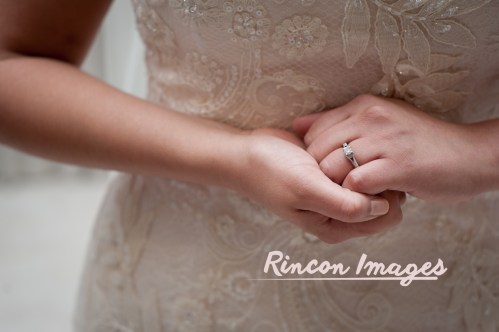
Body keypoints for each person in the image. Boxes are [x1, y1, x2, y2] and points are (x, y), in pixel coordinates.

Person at [0, 0, 498, 331]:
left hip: (463, 282)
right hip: (186, 279)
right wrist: (233, 158)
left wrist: (476, 153)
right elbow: (12, 64)